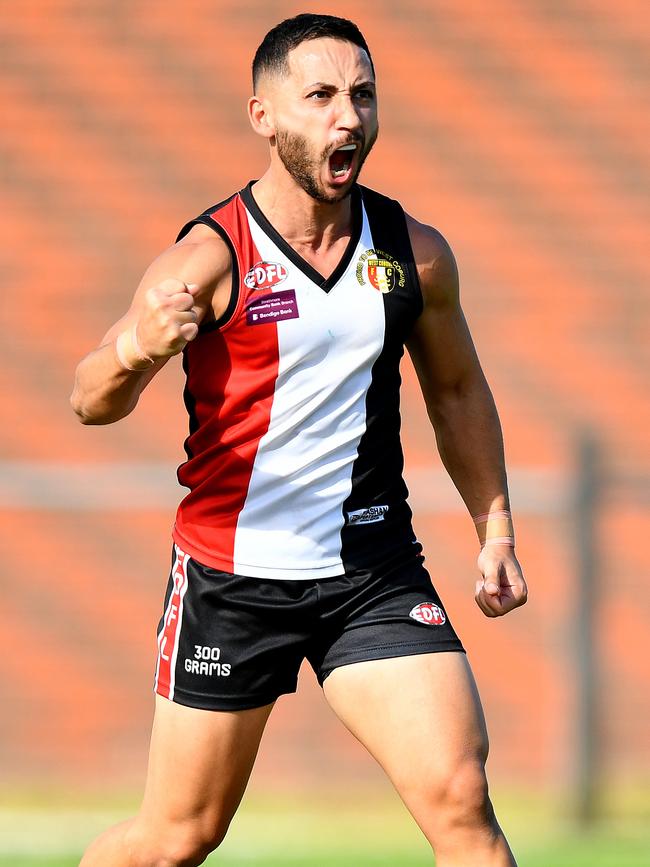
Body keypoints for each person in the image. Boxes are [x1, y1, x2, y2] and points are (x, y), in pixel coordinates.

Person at [71, 13, 527, 867]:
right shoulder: (209, 257)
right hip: (233, 576)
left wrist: (494, 529)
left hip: (372, 572)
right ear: (264, 115)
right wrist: (139, 349)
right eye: (319, 97)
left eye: (362, 95)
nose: (346, 117)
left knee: (463, 805)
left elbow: (458, 389)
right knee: (176, 838)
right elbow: (89, 398)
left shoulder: (411, 254)